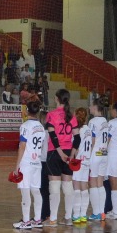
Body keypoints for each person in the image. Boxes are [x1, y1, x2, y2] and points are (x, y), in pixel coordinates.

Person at [44, 89, 77, 225]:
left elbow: (52, 135)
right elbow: (78, 137)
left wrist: (59, 152)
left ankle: (53, 219)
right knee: (68, 186)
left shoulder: (51, 115)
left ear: (57, 98)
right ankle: (68, 218)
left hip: (54, 152)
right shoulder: (72, 116)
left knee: (54, 187)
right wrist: (72, 153)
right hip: (68, 152)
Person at [13, 101, 47, 230]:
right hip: (37, 162)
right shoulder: (41, 127)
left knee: (25, 191)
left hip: (26, 162)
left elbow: (22, 146)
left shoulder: (25, 126)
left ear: (27, 111)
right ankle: (37, 219)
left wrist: (17, 166)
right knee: (36, 190)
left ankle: (26, 221)